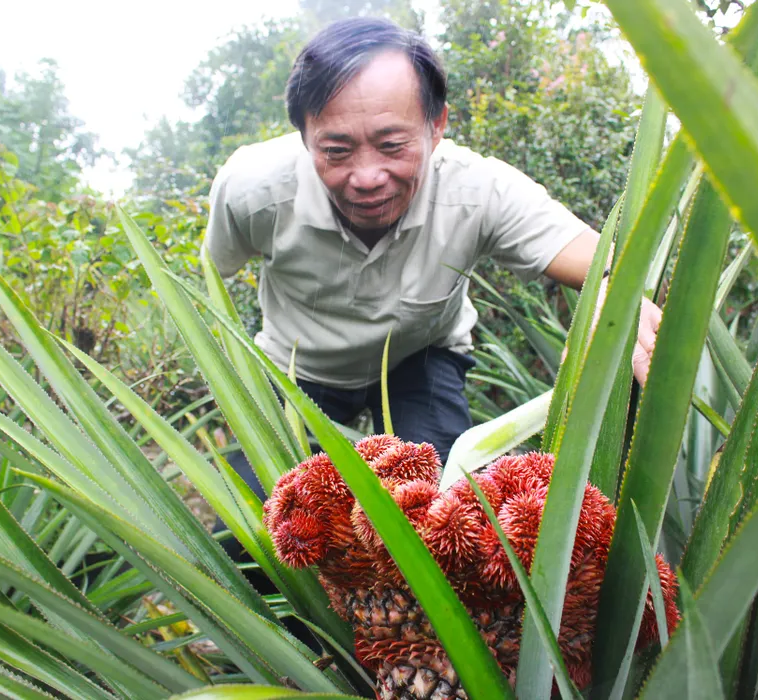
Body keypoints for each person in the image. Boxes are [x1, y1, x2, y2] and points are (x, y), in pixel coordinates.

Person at [202, 16, 661, 507]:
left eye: (391, 145)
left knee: (441, 512)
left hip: (418, 358)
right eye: (337, 150)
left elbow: (604, 262)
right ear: (304, 136)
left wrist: (613, 299)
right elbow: (211, 284)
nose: (367, 177)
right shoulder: (253, 190)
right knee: (248, 525)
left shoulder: (478, 189)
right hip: (297, 367)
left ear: (436, 125)